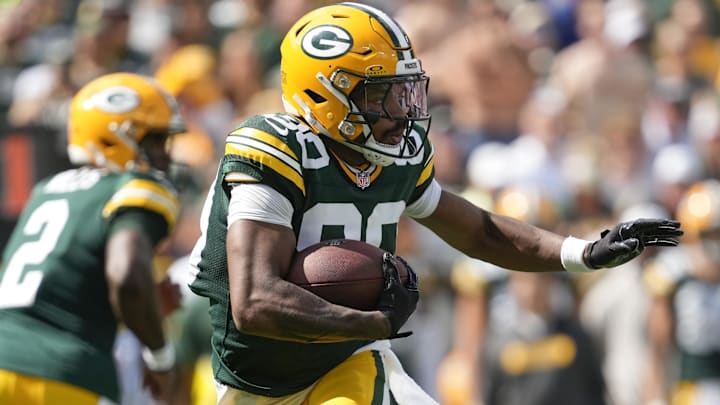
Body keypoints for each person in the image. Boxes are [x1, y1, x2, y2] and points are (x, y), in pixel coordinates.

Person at [187, 3, 683, 404]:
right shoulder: (276, 151)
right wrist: (369, 320)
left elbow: (479, 231)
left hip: (349, 361)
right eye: (383, 94)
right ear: (326, 97)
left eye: (405, 92)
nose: (403, 112)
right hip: (256, 382)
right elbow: (254, 301)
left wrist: (581, 253)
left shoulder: (395, 158)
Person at [0, 72, 185, 405]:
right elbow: (126, 274)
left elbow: (61, 290)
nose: (166, 156)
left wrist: (145, 311)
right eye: (155, 141)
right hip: (59, 373)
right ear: (114, 138)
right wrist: (161, 357)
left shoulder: (46, 190)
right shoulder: (133, 188)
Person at [644, 179, 720, 405]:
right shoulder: (673, 274)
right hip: (692, 389)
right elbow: (658, 347)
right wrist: (654, 396)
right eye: (712, 234)